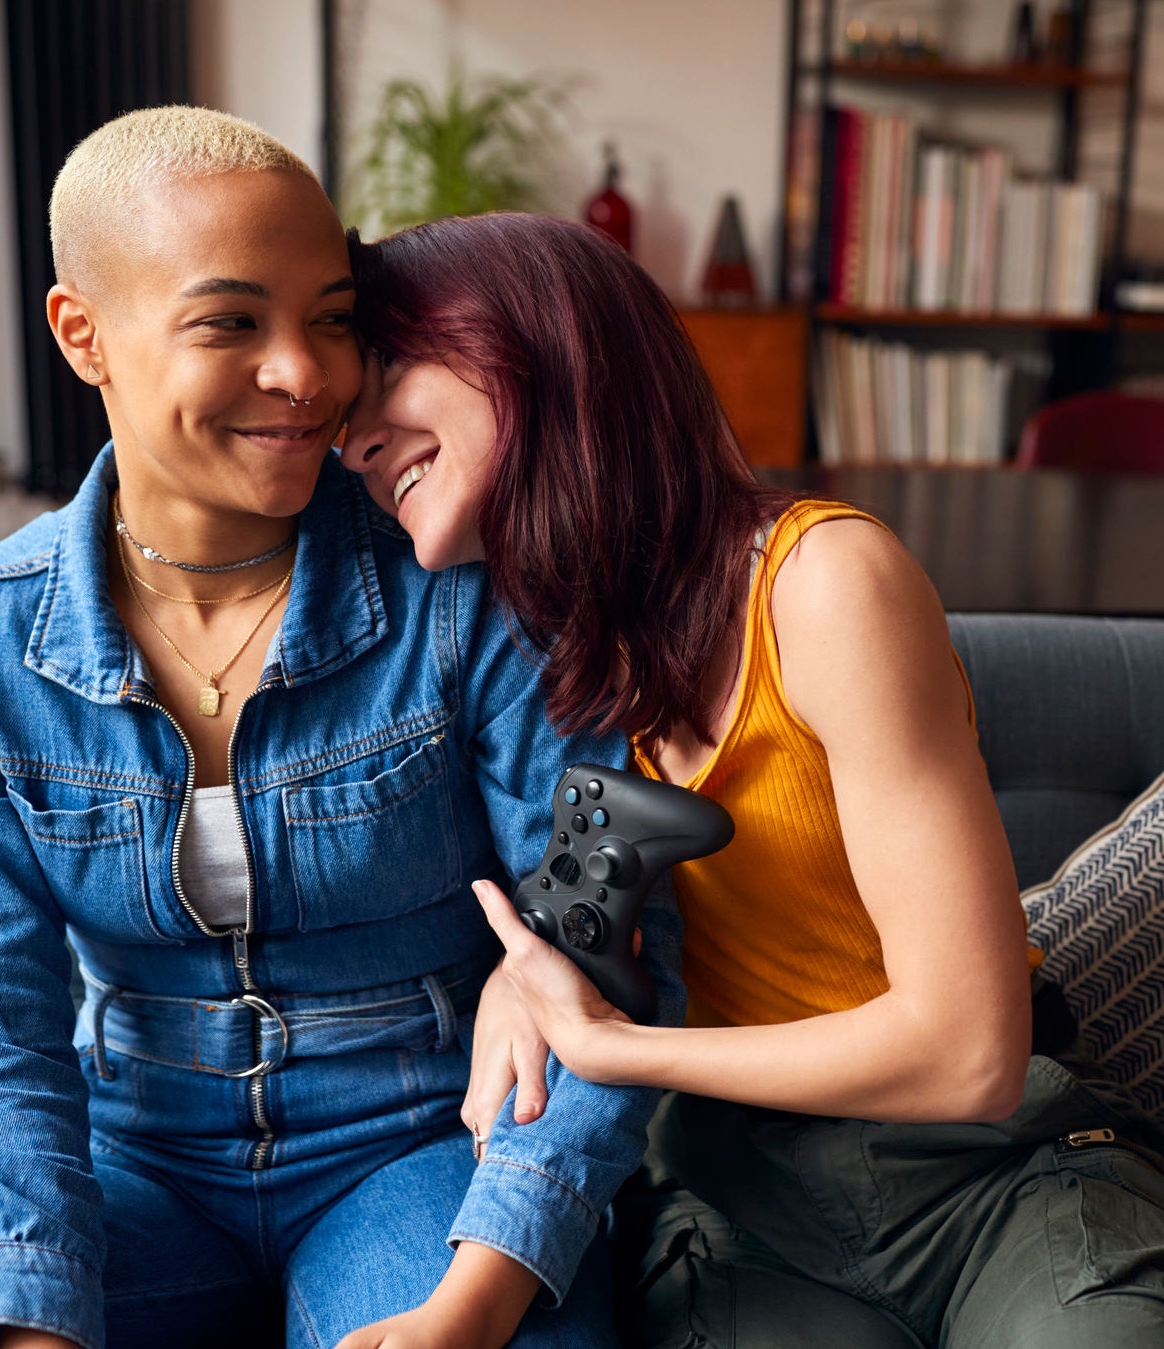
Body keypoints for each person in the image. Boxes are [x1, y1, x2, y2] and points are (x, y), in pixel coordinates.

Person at [0, 111, 685, 1349]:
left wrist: (488, 1279)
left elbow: (606, 948)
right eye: (230, 322)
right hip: (129, 1163)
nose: (305, 373)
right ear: (82, 333)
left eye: (332, 318)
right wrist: (29, 1317)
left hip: (430, 1146)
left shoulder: (460, 582)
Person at [341, 210, 1164, 1348]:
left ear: (533, 344)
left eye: (389, 368)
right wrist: (519, 972)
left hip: (989, 1175)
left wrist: (622, 1050)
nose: (353, 441)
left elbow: (971, 1051)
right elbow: (577, 910)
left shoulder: (824, 582)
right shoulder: (540, 657)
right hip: (740, 1203)